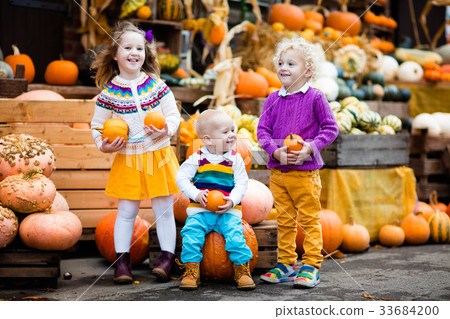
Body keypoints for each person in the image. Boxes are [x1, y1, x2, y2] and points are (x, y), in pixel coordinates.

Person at [90, 21, 180, 285]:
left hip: (158, 155)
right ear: (115, 55)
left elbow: (173, 116)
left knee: (164, 209)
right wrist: (103, 144)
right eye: (127, 47)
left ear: (146, 54)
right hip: (128, 158)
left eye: (139, 48)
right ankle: (122, 263)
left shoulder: (157, 86)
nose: (134, 52)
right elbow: (96, 126)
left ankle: (166, 258)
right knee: (127, 211)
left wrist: (166, 131)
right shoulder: (109, 94)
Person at [257, 36, 339, 288]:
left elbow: (330, 128)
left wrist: (310, 149)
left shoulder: (315, 97)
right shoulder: (273, 99)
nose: (283, 67)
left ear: (308, 70)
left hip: (304, 174)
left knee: (309, 220)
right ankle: (287, 264)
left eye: (291, 64)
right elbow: (262, 131)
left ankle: (312, 265)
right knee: (283, 220)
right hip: (279, 174)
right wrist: (274, 151)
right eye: (281, 62)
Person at [176, 109, 255, 291]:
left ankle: (242, 270)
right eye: (225, 132)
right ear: (208, 139)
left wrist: (233, 200)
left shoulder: (236, 159)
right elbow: (181, 177)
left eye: (233, 130)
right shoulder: (197, 158)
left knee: (236, 236)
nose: (232, 135)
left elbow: (242, 183)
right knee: (191, 235)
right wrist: (195, 194)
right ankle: (191, 271)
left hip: (227, 210)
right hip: (201, 210)